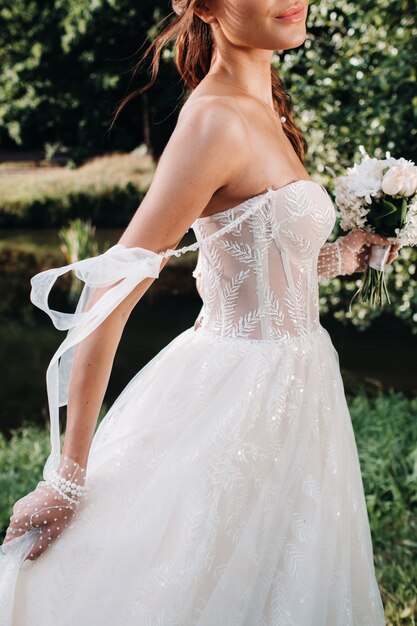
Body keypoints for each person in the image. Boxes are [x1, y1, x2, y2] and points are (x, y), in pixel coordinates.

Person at [0, 0, 399, 624]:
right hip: (235, 393)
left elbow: (248, 259)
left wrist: (341, 257)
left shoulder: (265, 104)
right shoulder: (215, 119)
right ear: (204, 7)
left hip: (298, 386)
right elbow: (111, 291)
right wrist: (67, 475)